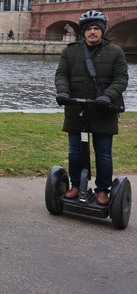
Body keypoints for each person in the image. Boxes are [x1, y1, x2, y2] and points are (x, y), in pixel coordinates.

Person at [55, 10, 128, 205]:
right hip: (76, 110)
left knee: (103, 152)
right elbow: (61, 74)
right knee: (74, 151)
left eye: (97, 28)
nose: (93, 32)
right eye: (89, 29)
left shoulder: (115, 52)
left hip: (103, 109)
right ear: (84, 32)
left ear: (102, 31)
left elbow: (121, 79)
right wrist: (63, 92)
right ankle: (76, 185)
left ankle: (103, 190)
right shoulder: (70, 51)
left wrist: (108, 96)